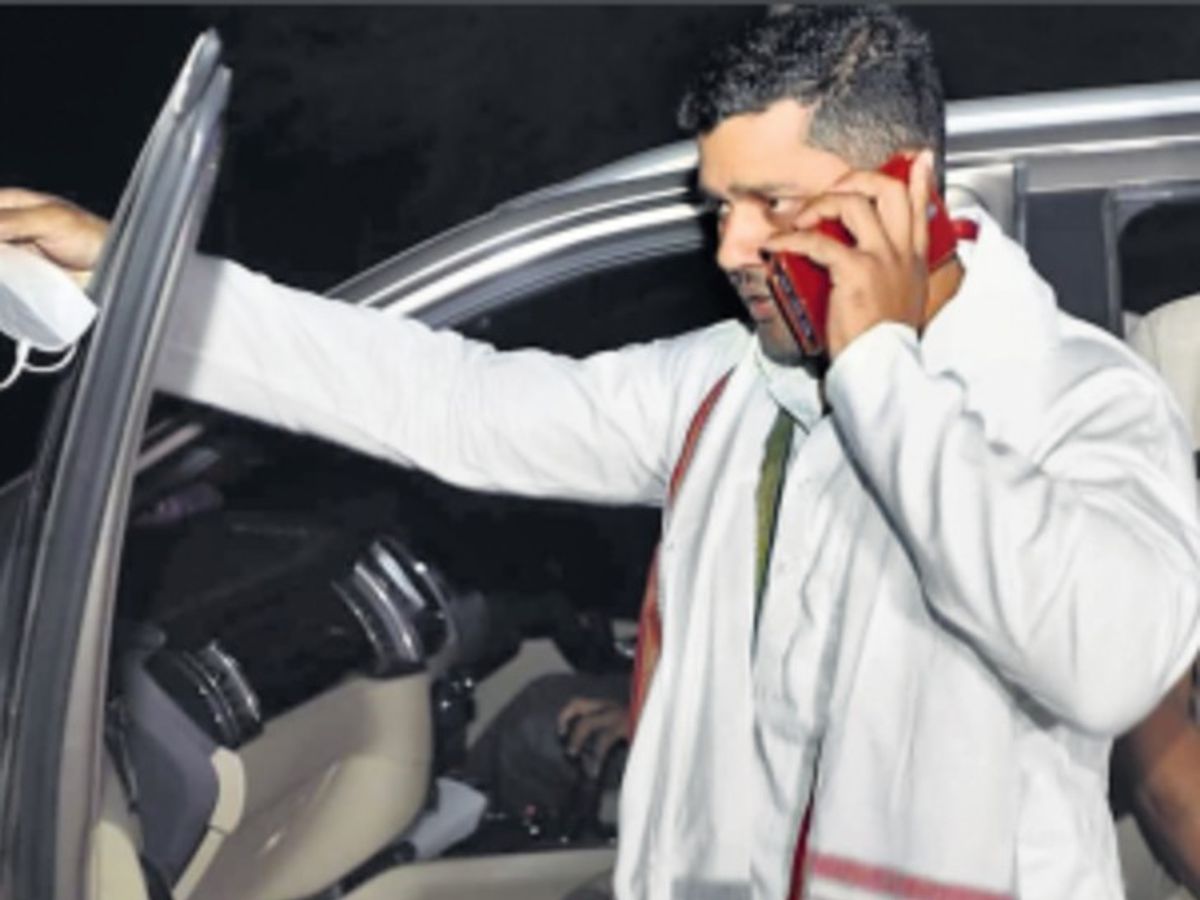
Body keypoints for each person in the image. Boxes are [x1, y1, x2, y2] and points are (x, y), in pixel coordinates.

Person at [4, 6, 1200, 897]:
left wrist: (881, 366)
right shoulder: (735, 386)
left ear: (909, 190)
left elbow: (1102, 662)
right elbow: (447, 399)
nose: (730, 249)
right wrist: (145, 286)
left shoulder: (1081, 399)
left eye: (772, 203)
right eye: (719, 206)